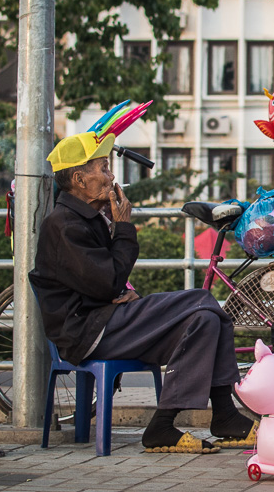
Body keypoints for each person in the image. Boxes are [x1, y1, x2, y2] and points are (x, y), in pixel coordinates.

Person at [28, 131, 256, 454]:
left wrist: (121, 286)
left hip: (107, 318)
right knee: (203, 300)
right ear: (79, 179)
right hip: (88, 329)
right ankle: (219, 415)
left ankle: (190, 421)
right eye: (103, 168)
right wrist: (122, 228)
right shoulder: (63, 224)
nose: (111, 176)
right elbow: (106, 281)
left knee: (206, 319)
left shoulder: (88, 218)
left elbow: (103, 280)